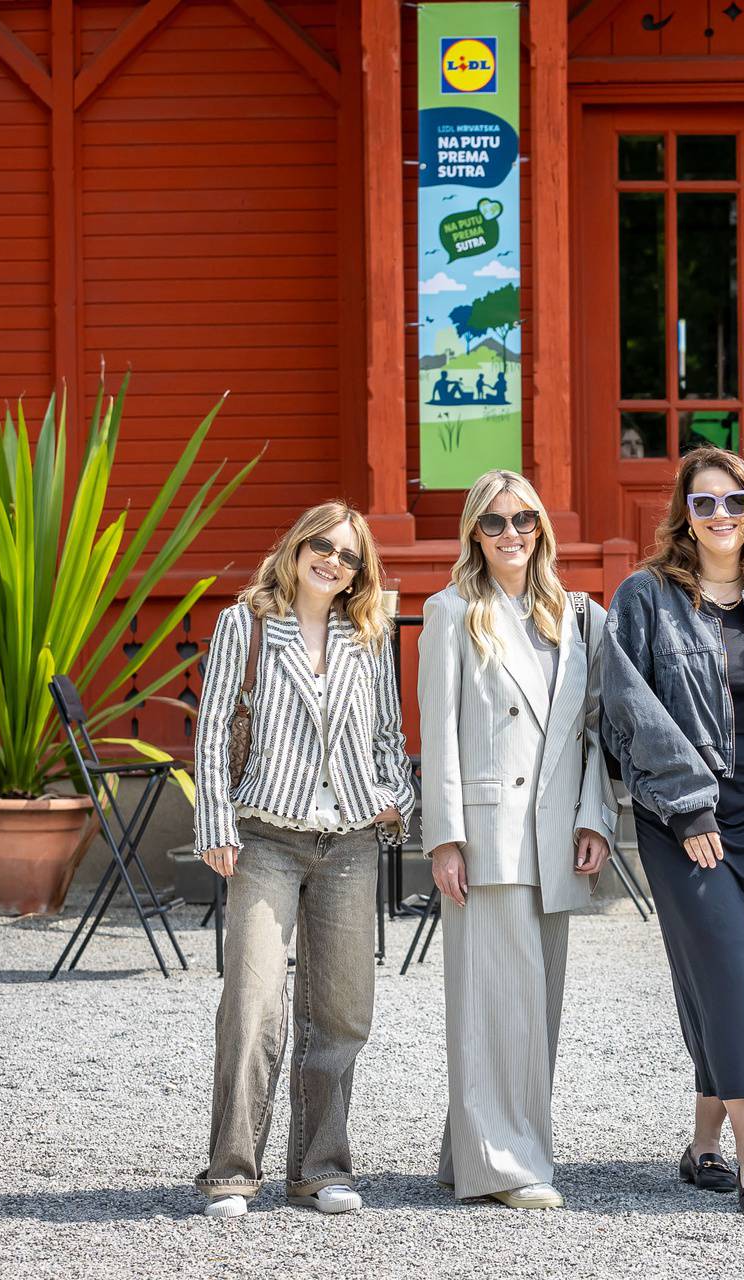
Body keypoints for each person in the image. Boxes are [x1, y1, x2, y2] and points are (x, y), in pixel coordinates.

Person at [599, 447, 744, 1216]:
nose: (721, 516)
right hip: (684, 815)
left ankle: (703, 1144)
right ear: (683, 516)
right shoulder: (645, 597)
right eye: (704, 505)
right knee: (724, 964)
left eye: (734, 502)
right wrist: (690, 805)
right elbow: (628, 712)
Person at [192, 502, 413, 1219]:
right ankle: (231, 1170)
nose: (333, 561)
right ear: (294, 547)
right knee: (253, 1005)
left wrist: (392, 796)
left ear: (360, 570)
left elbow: (389, 730)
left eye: (349, 555)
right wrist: (216, 822)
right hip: (265, 839)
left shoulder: (368, 632)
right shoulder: (245, 624)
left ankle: (320, 1168)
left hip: (349, 841)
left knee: (343, 1014)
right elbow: (213, 726)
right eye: (322, 546)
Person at [419, 470, 615, 1211]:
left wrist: (594, 815)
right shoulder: (451, 611)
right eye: (494, 522)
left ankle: (467, 1150)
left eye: (523, 519)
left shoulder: (575, 614)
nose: (511, 534)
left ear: (541, 528)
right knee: (499, 999)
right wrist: (444, 837)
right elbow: (436, 732)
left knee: (532, 1006)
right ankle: (504, 1163)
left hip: (557, 834)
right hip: (489, 830)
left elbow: (595, 729)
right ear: (474, 531)